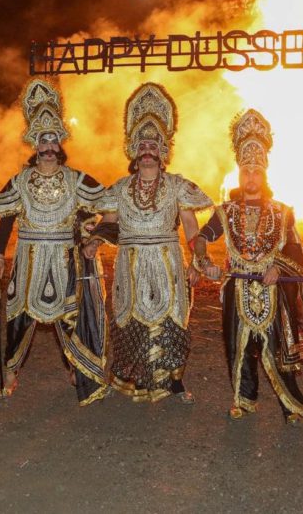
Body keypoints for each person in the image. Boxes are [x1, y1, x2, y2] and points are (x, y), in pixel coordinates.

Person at [85, 83, 212, 403]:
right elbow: (109, 222)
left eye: (153, 144)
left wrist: (197, 261)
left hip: (167, 261)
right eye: (142, 144)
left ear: (162, 150)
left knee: (171, 320)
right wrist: (95, 241)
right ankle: (132, 378)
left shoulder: (178, 185)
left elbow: (190, 227)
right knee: (130, 318)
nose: (147, 150)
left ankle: (174, 382)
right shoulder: (120, 187)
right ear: (133, 150)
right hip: (131, 263)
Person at [192, 109, 303, 423]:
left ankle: (291, 404)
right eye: (245, 171)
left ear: (265, 175)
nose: (250, 177)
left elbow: (295, 251)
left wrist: (278, 268)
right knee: (238, 347)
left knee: (277, 347)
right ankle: (243, 399)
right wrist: (205, 261)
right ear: (239, 174)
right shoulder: (225, 211)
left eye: (256, 172)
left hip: (271, 288)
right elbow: (201, 237)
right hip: (236, 288)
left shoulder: (283, 212)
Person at [0, 79, 109, 405]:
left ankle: (76, 368)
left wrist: (91, 235)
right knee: (18, 318)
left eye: (54, 139)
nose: (49, 146)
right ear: (35, 144)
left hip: (65, 260)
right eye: (43, 140)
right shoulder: (21, 180)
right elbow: (6, 217)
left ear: (61, 143)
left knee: (69, 318)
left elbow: (105, 204)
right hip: (28, 260)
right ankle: (10, 373)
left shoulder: (76, 179)